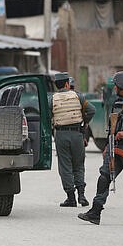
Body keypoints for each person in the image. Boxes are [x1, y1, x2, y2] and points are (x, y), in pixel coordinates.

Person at [78, 71, 123, 226]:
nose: (114, 88)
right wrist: (106, 146)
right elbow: (112, 127)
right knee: (104, 177)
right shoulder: (116, 102)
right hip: (114, 146)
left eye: (116, 85)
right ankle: (95, 213)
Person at [49, 72, 95, 207]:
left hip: (61, 135)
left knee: (65, 166)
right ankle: (82, 195)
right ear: (67, 84)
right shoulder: (78, 96)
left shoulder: (52, 99)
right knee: (79, 165)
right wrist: (84, 122)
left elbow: (48, 115)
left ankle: (71, 197)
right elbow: (91, 110)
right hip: (77, 135)